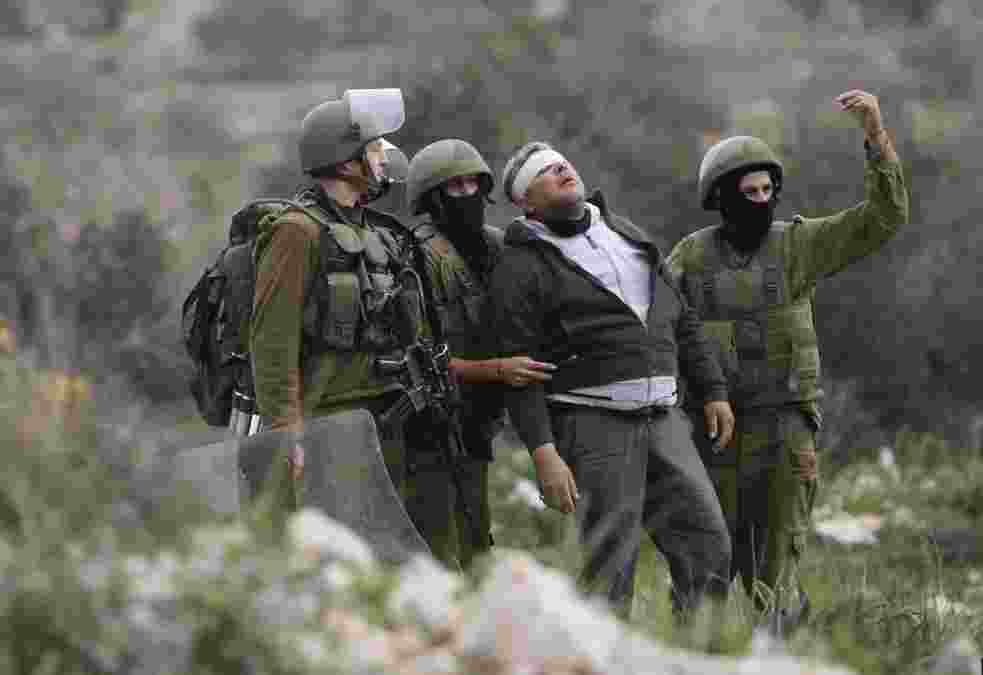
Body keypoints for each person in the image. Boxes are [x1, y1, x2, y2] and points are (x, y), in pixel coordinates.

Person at [665, 89, 910, 630]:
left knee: (774, 569)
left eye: (767, 189)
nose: (761, 199)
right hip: (713, 430)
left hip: (783, 429)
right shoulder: (691, 256)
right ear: (722, 196)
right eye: (747, 191)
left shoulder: (797, 246)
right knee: (703, 561)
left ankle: (781, 657)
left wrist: (875, 136)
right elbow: (658, 327)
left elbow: (884, 218)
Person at [489, 141, 735, 619]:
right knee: (610, 568)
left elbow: (679, 319)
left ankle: (695, 656)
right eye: (544, 172)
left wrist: (714, 391)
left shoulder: (626, 234)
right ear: (526, 204)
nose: (561, 168)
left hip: (665, 416)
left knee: (709, 545)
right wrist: (544, 453)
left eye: (562, 162)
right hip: (592, 424)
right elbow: (519, 371)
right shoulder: (520, 265)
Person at [249, 88, 419, 512]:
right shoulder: (297, 231)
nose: (384, 155)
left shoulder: (375, 233)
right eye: (375, 146)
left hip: (382, 419)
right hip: (327, 425)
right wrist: (286, 430)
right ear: (346, 161)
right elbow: (272, 338)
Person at [403, 138, 556, 570]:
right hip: (431, 426)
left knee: (475, 543)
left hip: (479, 422)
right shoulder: (416, 255)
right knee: (438, 547)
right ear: (432, 198)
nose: (469, 196)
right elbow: (416, 357)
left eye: (475, 185)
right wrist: (497, 369)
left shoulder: (496, 245)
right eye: (456, 188)